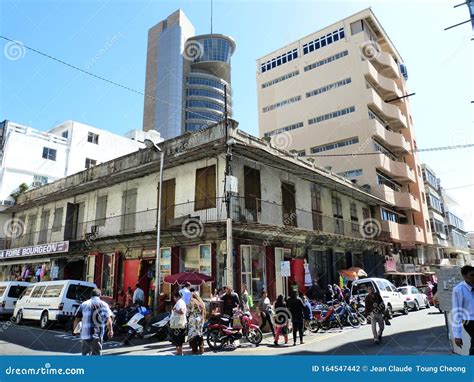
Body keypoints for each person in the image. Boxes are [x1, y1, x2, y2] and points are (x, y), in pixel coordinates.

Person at [73, 288, 113, 356]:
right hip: (98, 334)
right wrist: (110, 330)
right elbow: (109, 319)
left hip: (85, 335)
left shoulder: (84, 304)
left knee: (85, 355)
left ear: (91, 295)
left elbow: (77, 319)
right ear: (100, 295)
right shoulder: (104, 304)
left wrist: (75, 330)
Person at [452, 265, 474, 355]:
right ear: (465, 276)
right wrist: (457, 335)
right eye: (472, 275)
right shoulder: (459, 290)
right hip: (469, 321)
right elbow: (456, 312)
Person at [169, 291, 187, 355]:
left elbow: (181, 311)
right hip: (180, 323)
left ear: (176, 297)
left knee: (177, 339)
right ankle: (179, 352)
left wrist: (174, 310)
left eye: (174, 297)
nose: (174, 298)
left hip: (177, 324)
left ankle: (179, 352)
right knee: (180, 339)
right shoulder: (182, 302)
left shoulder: (179, 302)